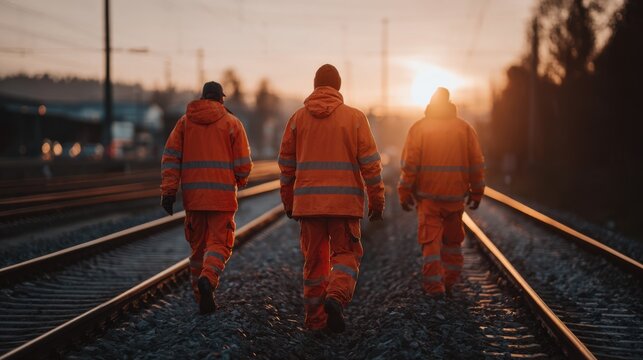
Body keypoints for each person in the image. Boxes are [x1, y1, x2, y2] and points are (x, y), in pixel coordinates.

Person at [278, 64, 385, 333]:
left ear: (315, 86)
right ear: (338, 87)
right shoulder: (355, 118)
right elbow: (370, 164)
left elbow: (286, 167)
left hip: (309, 206)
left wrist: (288, 201)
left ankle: (316, 322)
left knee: (314, 264)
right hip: (344, 205)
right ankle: (336, 297)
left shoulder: (297, 119)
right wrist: (377, 199)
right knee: (346, 255)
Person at [160, 81, 252, 314]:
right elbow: (243, 164)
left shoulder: (184, 123)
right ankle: (208, 280)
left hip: (194, 199)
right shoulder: (232, 123)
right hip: (221, 198)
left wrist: (169, 192)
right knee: (219, 243)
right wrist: (240, 180)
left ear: (202, 98)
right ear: (221, 99)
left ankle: (201, 297)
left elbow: (171, 158)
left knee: (198, 249)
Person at [398, 87, 485, 299]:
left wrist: (404, 191)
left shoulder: (418, 129)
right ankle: (449, 281)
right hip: (455, 198)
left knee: (430, 243)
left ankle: (434, 288)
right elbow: (476, 164)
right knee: (453, 244)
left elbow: (410, 165)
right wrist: (477, 193)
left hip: (428, 198)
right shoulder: (464, 129)